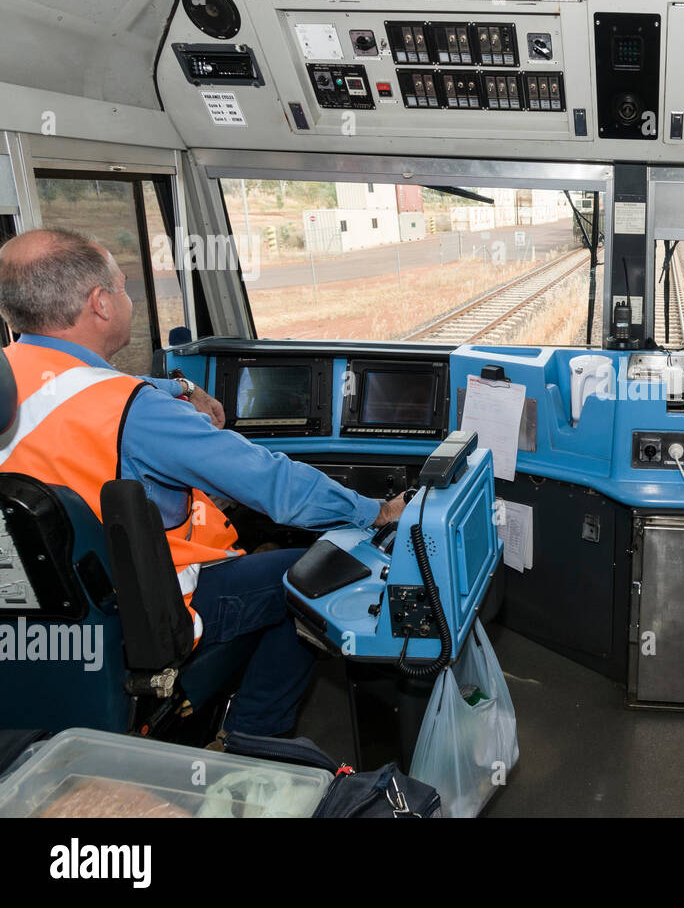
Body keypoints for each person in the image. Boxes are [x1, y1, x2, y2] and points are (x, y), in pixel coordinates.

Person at [0, 228, 407, 737]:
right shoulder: (134, 412)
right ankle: (253, 742)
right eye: (125, 288)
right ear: (100, 304)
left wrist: (182, 387)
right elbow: (272, 484)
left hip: (41, 616)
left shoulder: (12, 378)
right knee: (312, 574)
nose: (129, 299)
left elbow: (74, 388)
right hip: (145, 612)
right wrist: (376, 512)